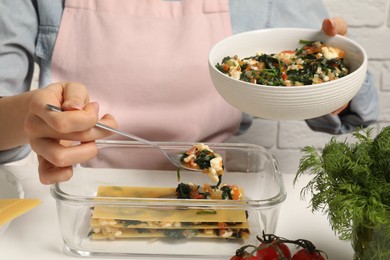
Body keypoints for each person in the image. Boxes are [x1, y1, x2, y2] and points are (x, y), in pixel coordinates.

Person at [0, 0, 379, 184]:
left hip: (214, 190)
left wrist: (332, 74)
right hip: (77, 190)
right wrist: (33, 116)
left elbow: (354, 105)